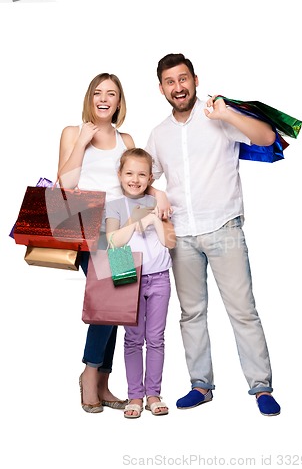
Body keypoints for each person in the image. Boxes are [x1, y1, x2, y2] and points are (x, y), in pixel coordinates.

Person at [145, 53, 281, 416]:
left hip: (224, 227)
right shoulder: (158, 135)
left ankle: (261, 387)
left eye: (183, 78)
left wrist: (227, 114)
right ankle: (200, 385)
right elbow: (144, 178)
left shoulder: (217, 116)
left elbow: (267, 137)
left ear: (195, 79)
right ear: (161, 89)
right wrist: (156, 193)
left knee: (243, 311)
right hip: (182, 235)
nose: (178, 87)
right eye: (170, 82)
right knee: (191, 313)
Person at [57, 73, 167, 414]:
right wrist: (81, 142)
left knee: (118, 306)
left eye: (112, 94)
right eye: (98, 93)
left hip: (120, 229)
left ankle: (103, 381)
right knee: (107, 303)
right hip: (89, 229)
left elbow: (138, 181)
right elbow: (64, 185)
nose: (104, 99)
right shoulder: (73, 133)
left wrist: (158, 192)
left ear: (119, 102)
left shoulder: (126, 138)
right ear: (90, 98)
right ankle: (89, 375)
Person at [105, 148, 176, 419]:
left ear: (149, 178)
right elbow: (113, 242)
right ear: (120, 175)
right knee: (133, 339)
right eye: (129, 173)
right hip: (126, 273)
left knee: (155, 338)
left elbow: (170, 242)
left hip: (159, 276)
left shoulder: (157, 201)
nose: (135, 179)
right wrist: (139, 220)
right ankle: (135, 395)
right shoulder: (114, 205)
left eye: (142, 174)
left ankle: (153, 394)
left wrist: (155, 217)